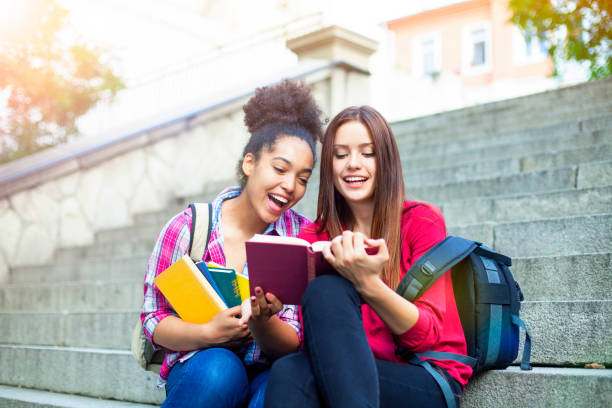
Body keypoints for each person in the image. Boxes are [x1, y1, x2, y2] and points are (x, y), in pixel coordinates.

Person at [265, 106, 473, 408]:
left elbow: (427, 337)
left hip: (424, 374)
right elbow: (314, 344)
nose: (353, 164)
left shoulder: (421, 222)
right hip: (348, 374)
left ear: (385, 160)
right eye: (340, 154)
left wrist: (367, 283)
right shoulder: (312, 238)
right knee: (289, 369)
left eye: (367, 153)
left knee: (324, 298)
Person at [141, 79, 324, 408]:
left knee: (285, 384)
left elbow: (293, 343)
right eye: (280, 168)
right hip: (203, 369)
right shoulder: (189, 227)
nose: (290, 186)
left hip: (270, 370)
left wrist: (263, 321)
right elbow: (154, 318)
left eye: (303, 178)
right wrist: (209, 334)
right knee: (220, 371)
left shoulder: (303, 238)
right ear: (250, 163)